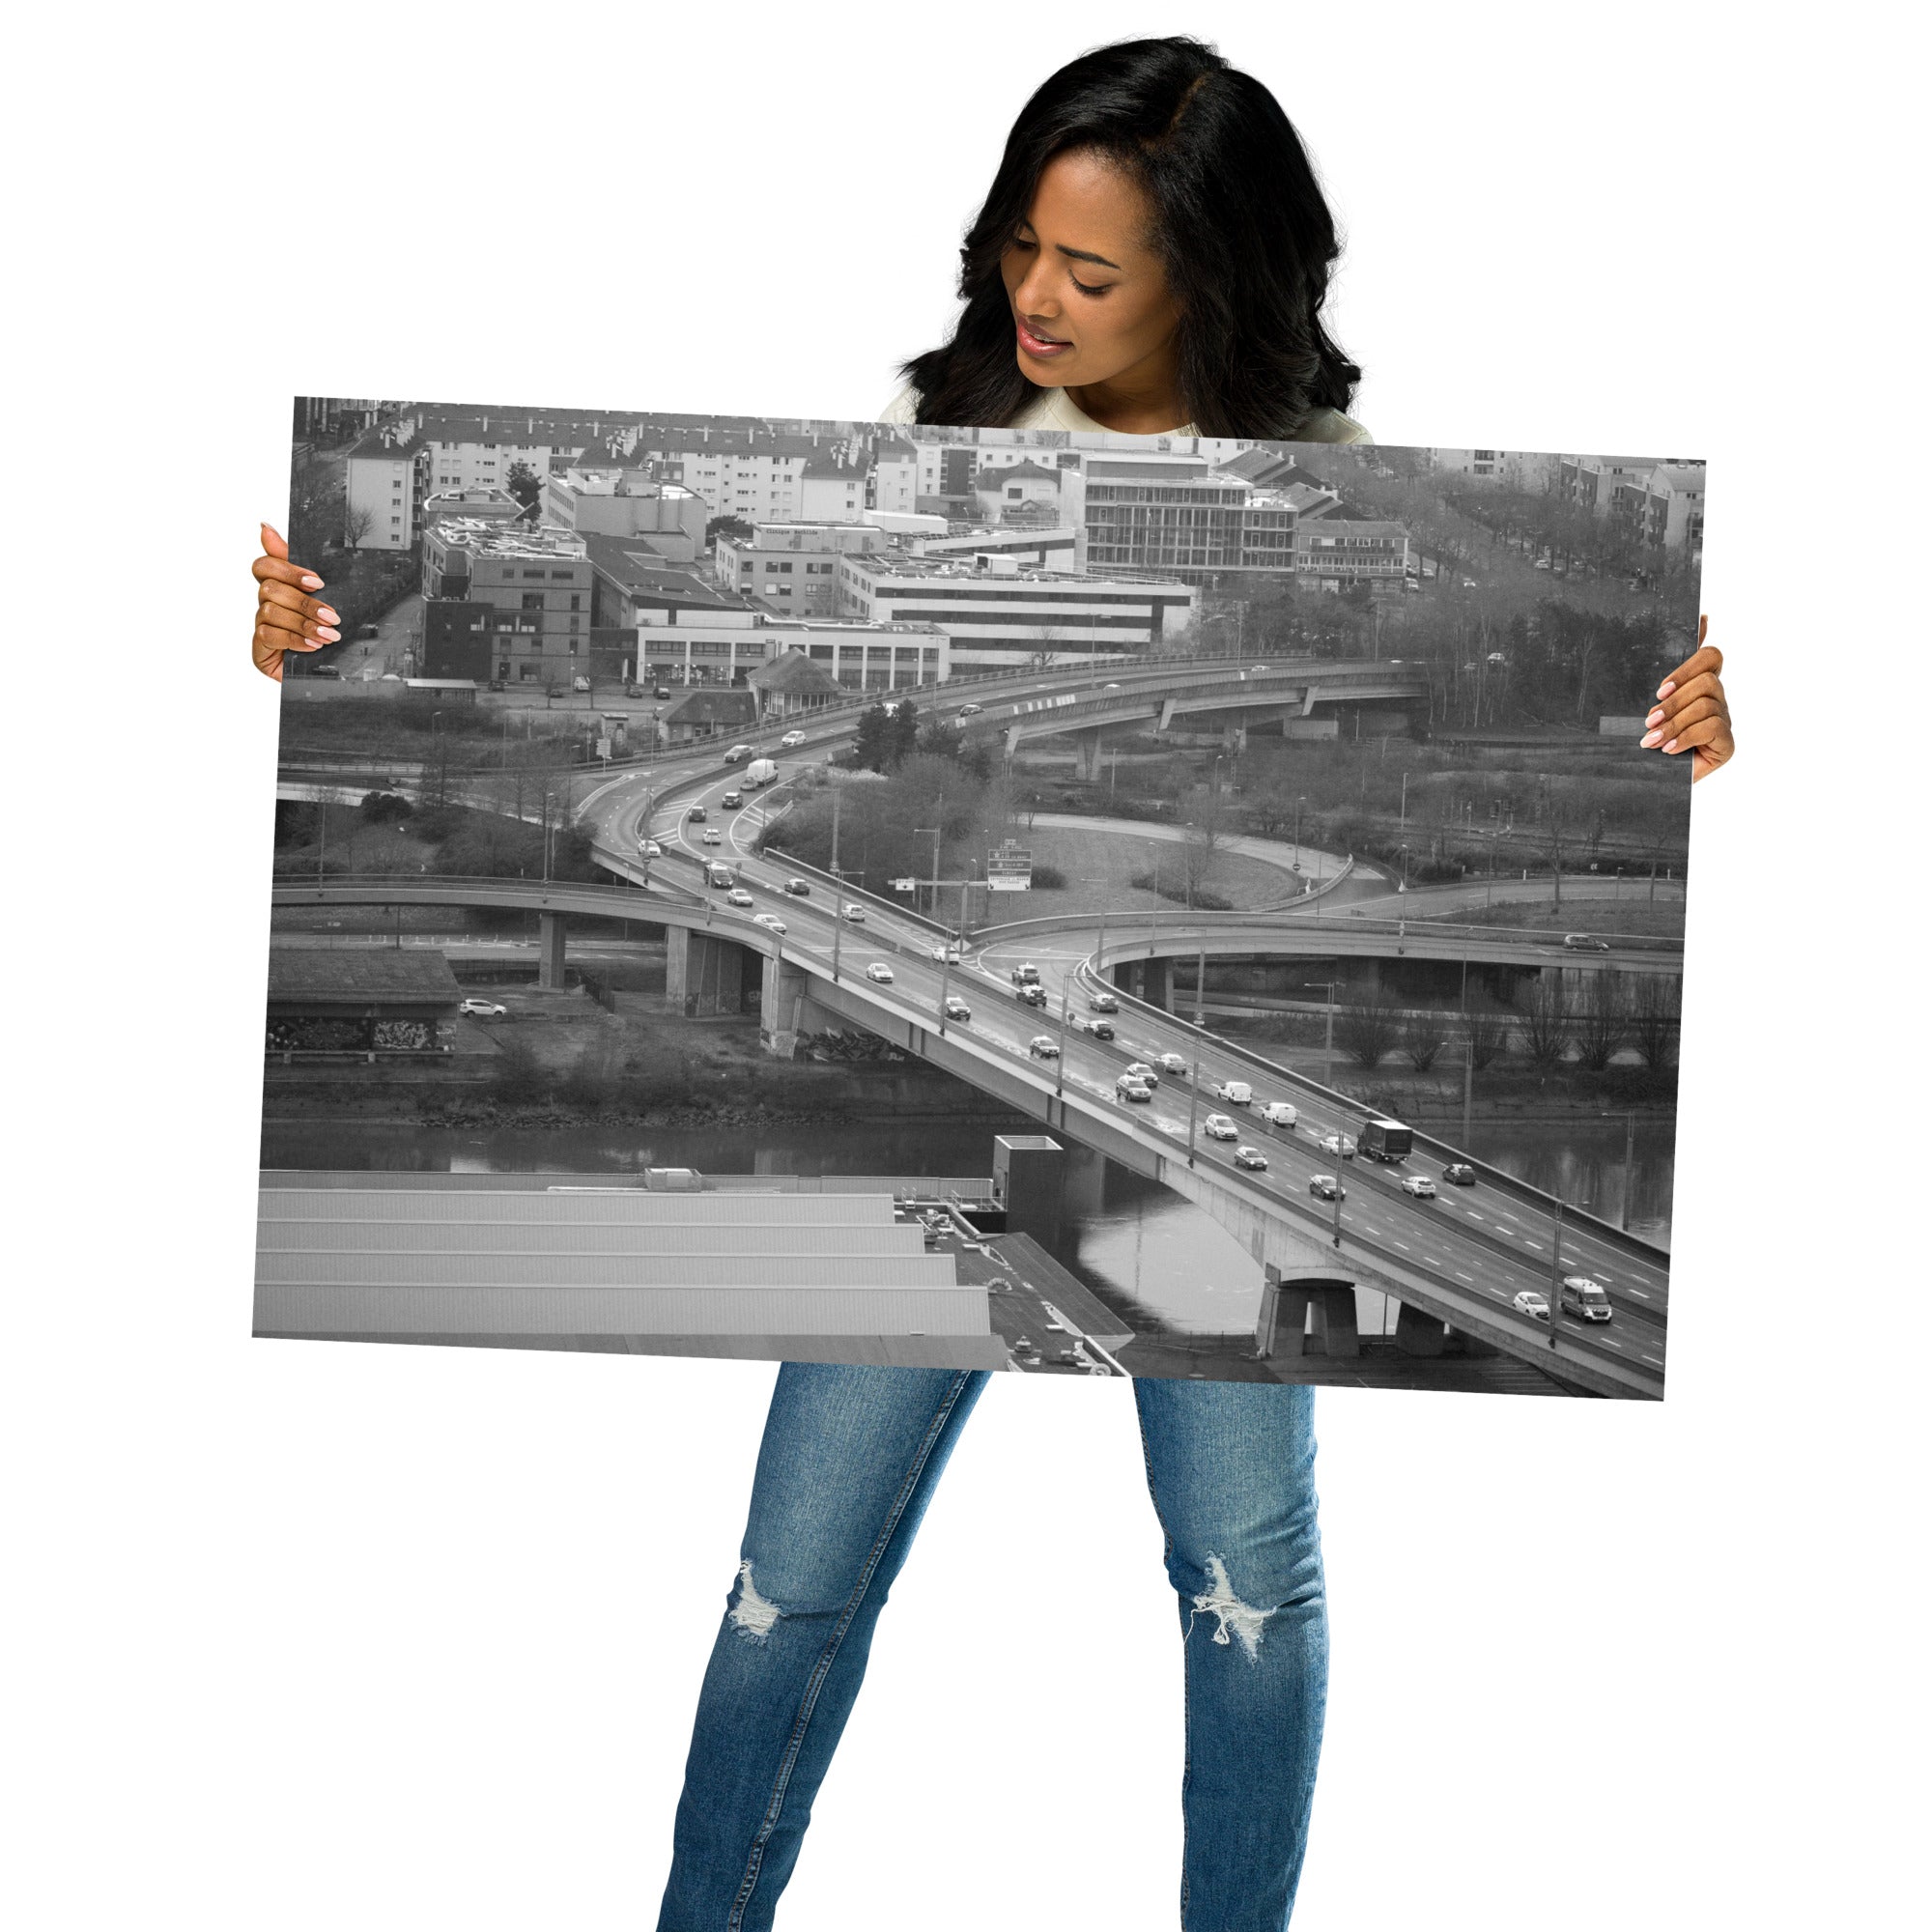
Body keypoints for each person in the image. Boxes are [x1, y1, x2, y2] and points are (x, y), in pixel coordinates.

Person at [248, 36, 1733, 1930]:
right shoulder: (924, 435)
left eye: (1091, 271)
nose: (1036, 297)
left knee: (1241, 1584)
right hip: (953, 1095)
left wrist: (1681, 736)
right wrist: (312, 643)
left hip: (1192, 1173)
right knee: (789, 1580)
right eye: (1022, 245)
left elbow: (1492, 723)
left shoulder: (1342, 495)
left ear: (1218, 274)